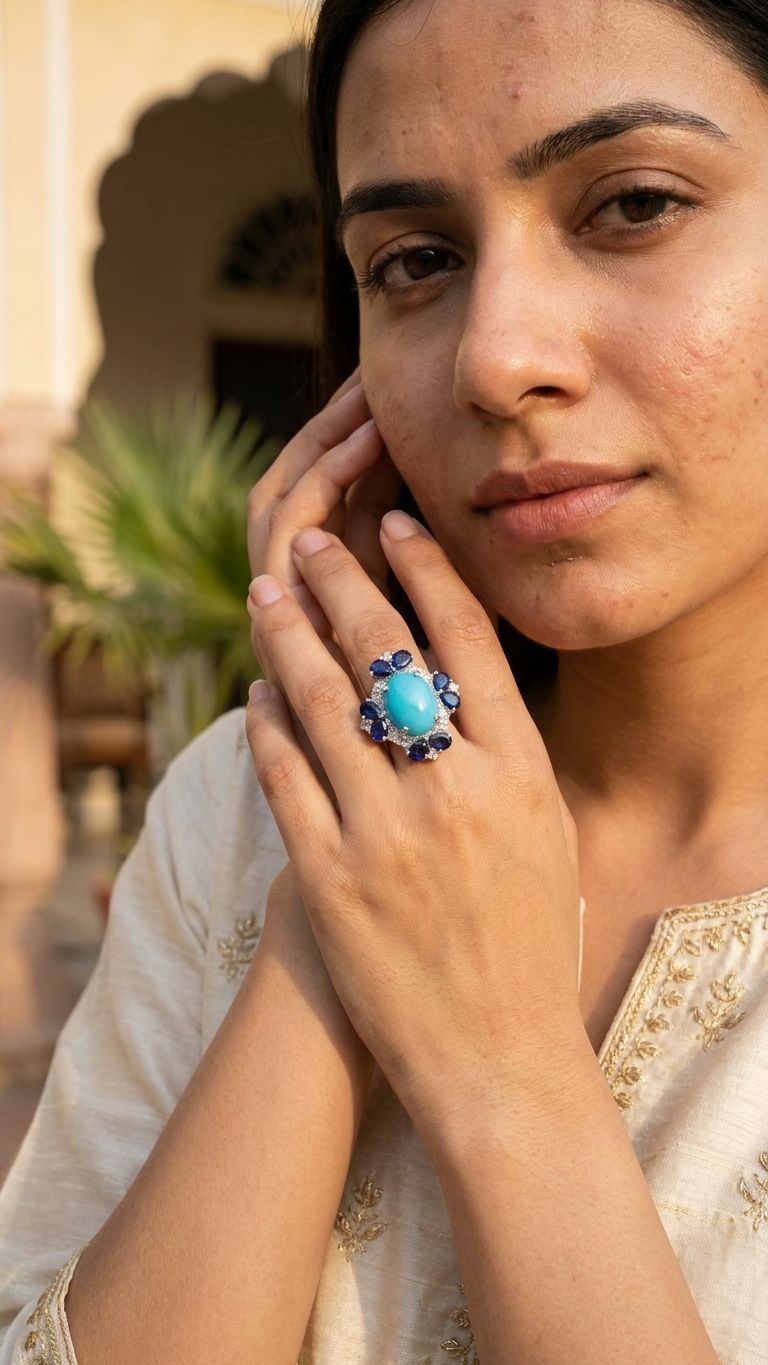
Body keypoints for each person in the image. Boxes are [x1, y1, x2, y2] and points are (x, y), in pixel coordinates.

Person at [2, 0, 768, 1359]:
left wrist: (506, 1070)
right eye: (415, 259)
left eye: (634, 204)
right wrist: (337, 894)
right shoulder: (238, 813)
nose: (497, 358)